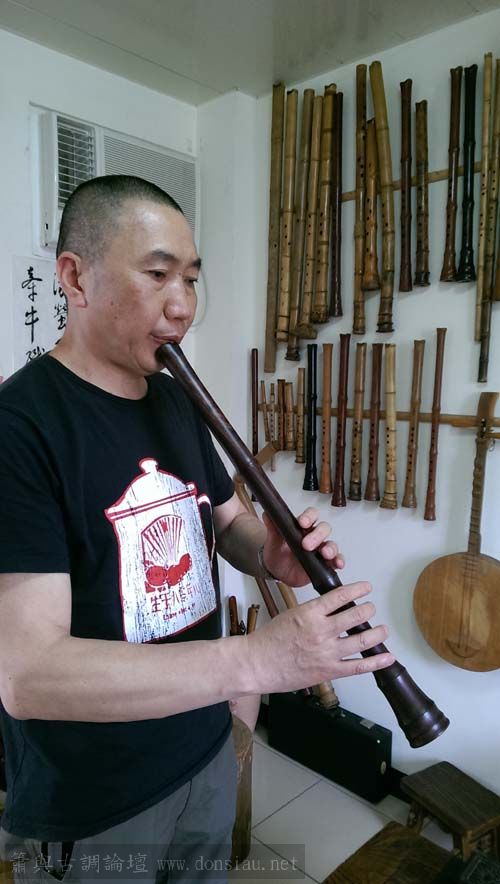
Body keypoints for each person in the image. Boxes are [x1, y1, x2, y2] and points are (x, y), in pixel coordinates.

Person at [0, 175, 394, 883]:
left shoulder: (174, 398)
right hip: (95, 801)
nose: (182, 305)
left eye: (189, 277)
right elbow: (28, 677)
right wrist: (256, 662)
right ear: (75, 277)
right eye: (157, 275)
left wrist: (270, 554)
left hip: (204, 749)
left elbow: (224, 519)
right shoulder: (20, 429)